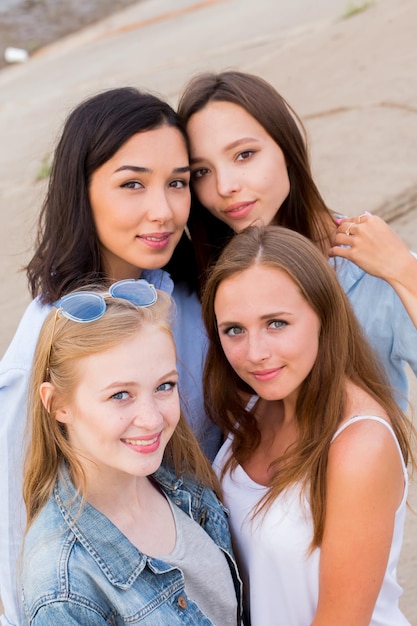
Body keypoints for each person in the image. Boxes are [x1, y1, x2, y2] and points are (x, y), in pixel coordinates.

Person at [0, 86, 221, 626]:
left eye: (177, 183)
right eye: (132, 185)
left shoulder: (185, 293)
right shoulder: (46, 349)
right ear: (83, 192)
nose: (163, 210)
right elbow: (14, 532)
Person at [201, 224, 416, 626]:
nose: (255, 353)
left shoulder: (359, 445)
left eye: (277, 323)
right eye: (234, 330)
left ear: (323, 315)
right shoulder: (255, 403)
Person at [177, 69, 417, 406]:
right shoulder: (202, 283)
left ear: (287, 148)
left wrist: (403, 270)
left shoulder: (371, 266)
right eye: (202, 171)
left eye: (244, 155)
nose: (224, 186)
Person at [21, 280, 242, 625]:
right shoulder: (63, 589)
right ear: (57, 404)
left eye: (164, 386)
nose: (152, 419)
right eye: (120, 395)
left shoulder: (177, 472)